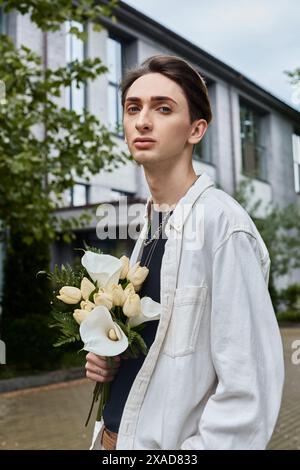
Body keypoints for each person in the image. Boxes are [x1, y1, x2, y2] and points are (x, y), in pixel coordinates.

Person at [86, 54, 285, 450]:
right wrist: (112, 357)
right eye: (132, 108)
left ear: (196, 129)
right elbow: (162, 351)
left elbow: (249, 393)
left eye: (163, 108)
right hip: (111, 440)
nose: (143, 121)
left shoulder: (223, 227)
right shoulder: (152, 227)